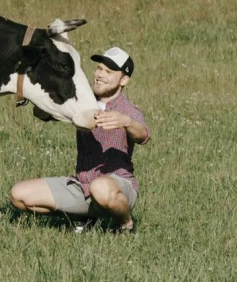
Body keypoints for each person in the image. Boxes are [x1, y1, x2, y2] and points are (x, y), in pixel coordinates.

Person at [10, 44, 149, 232]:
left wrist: (126, 122)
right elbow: (41, 115)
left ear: (123, 80)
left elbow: (143, 136)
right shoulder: (81, 102)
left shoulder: (128, 110)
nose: (100, 74)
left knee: (100, 187)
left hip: (118, 186)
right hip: (82, 186)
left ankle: (126, 224)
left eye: (108, 71)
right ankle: (83, 216)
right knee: (18, 195)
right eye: (99, 68)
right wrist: (45, 97)